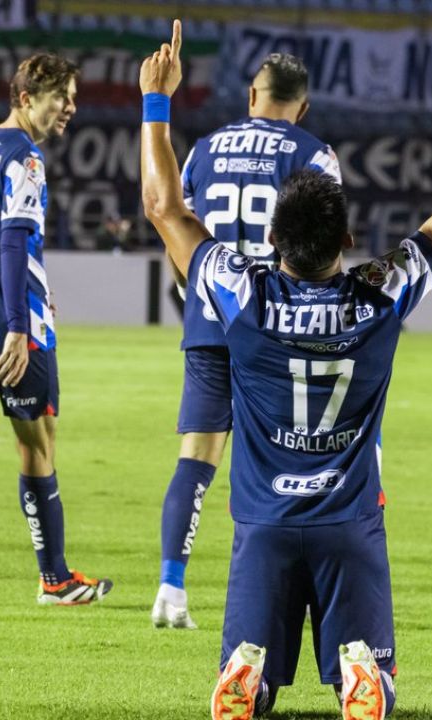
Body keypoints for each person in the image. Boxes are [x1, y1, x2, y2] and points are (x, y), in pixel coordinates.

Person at [139, 20, 432, 719]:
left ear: (269, 240)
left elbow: (164, 207)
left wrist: (156, 103)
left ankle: (250, 673)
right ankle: (361, 674)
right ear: (347, 239)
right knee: (376, 685)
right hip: (349, 522)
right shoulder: (378, 293)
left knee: (248, 685)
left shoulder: (243, 293)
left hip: (262, 524)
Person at [151, 52, 343, 629]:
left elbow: (173, 224)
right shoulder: (312, 152)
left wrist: (194, 286)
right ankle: (285, 599)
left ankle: (171, 585)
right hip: (279, 326)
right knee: (286, 464)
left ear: (251, 96)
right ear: (302, 106)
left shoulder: (205, 149)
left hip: (212, 316)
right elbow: (324, 241)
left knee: (196, 459)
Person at [0, 53, 113, 605]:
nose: (71, 108)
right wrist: (16, 326)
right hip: (13, 326)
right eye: (63, 97)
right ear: (27, 97)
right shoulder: (24, 159)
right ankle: (54, 578)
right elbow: (12, 240)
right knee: (36, 438)